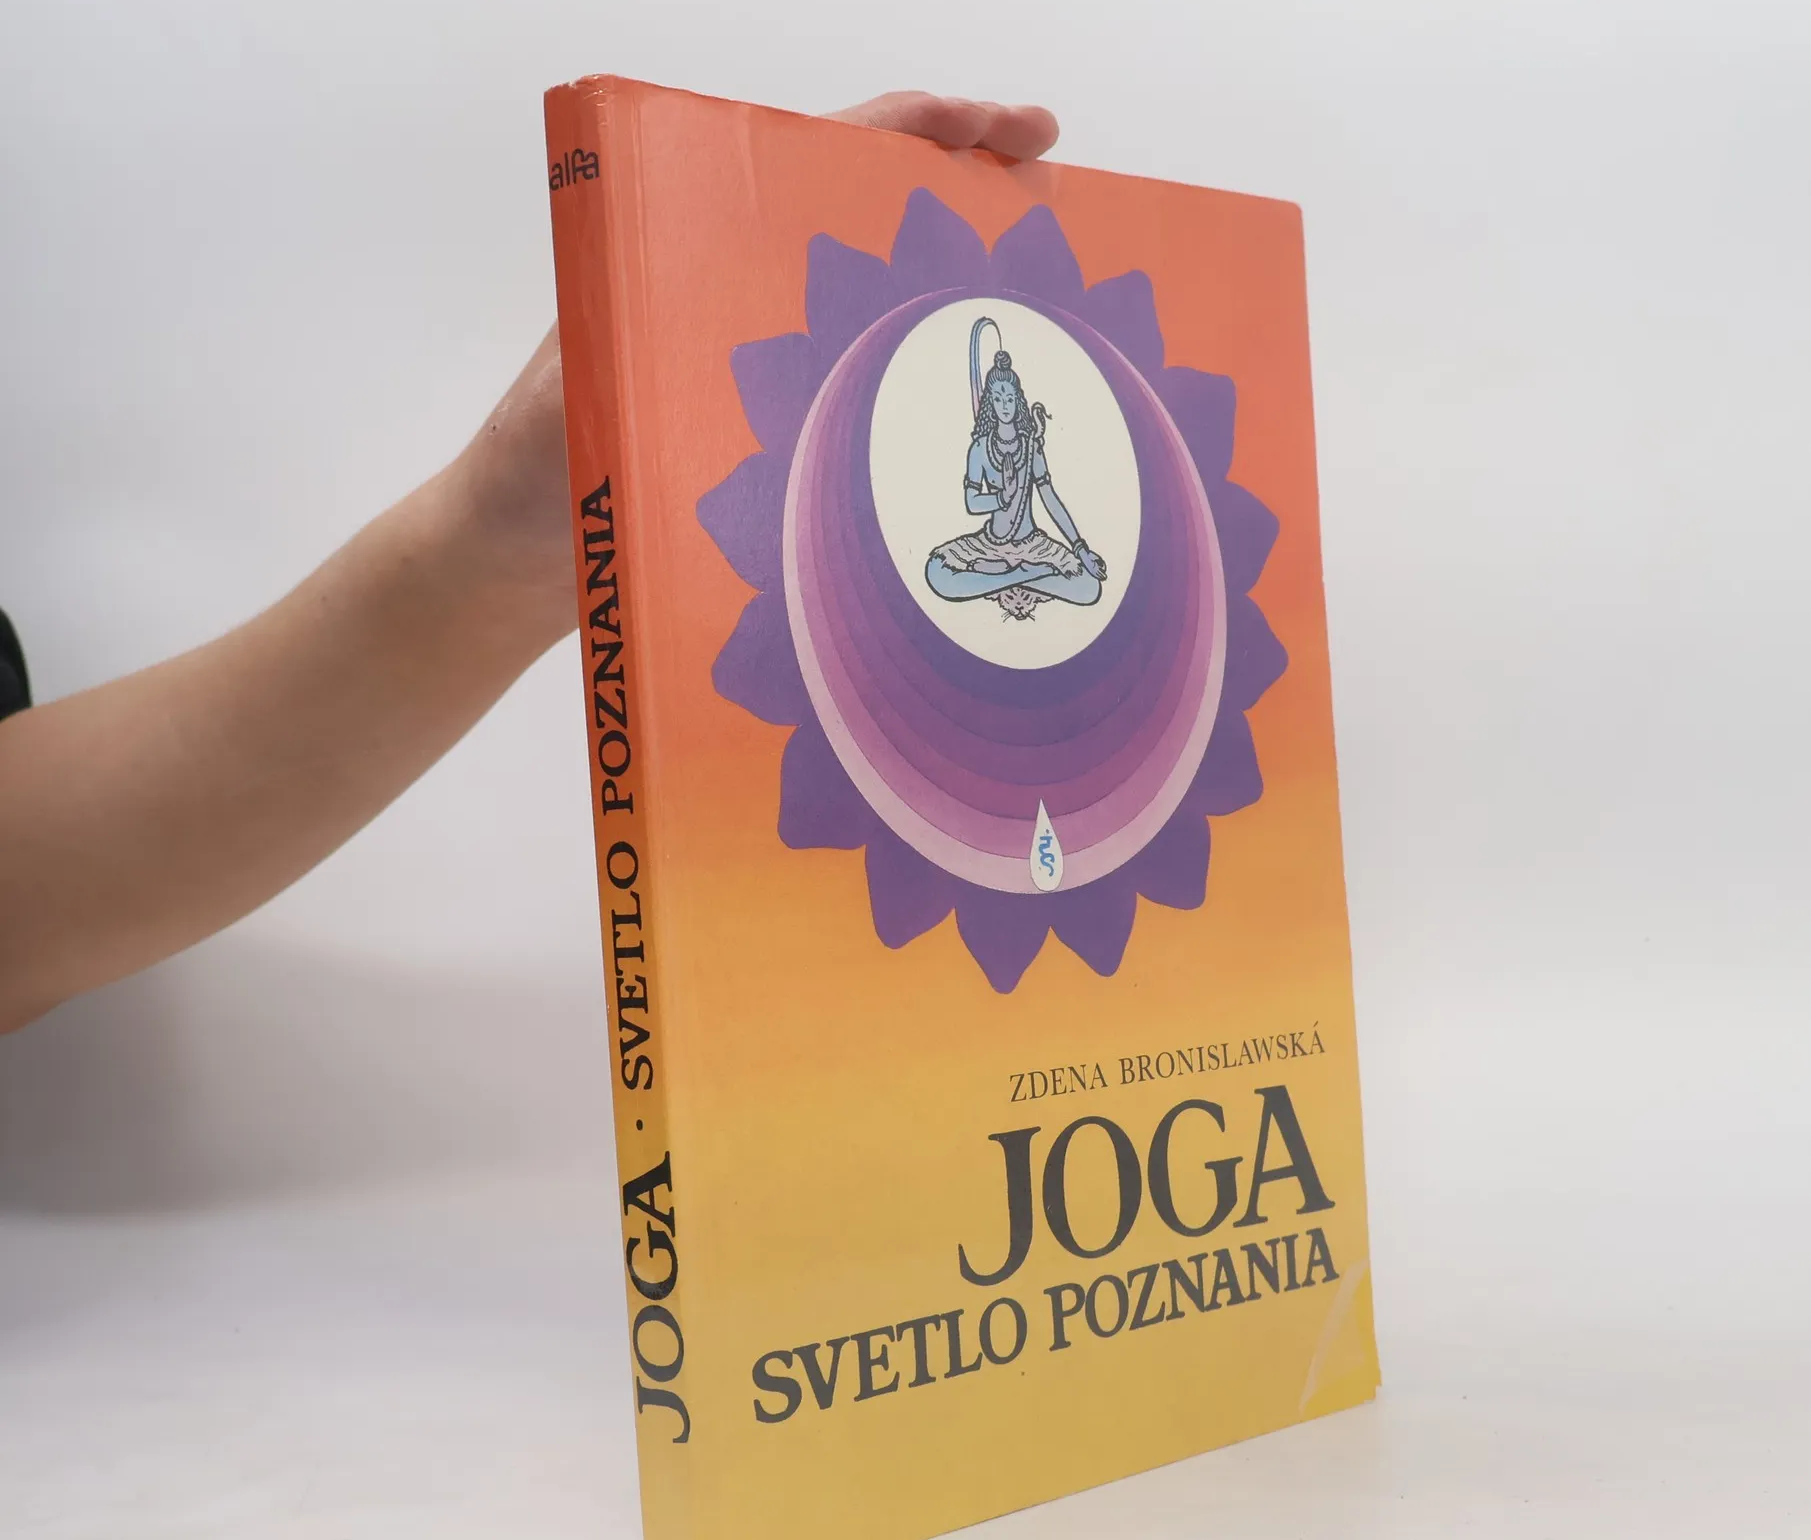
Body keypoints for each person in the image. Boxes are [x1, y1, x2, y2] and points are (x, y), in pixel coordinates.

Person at [0, 92, 1060, 1035]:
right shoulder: (987, 438)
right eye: (1000, 400)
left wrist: (512, 535)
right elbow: (980, 506)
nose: (1007, 411)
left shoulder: (1031, 434)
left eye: (1014, 402)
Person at [926, 322, 1106, 620]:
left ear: (1018, 400)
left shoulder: (1030, 445)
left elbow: (1050, 499)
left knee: (1090, 588)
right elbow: (972, 503)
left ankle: (1003, 576)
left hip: (1032, 544)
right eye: (998, 399)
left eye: (1009, 398)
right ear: (990, 402)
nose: (1004, 406)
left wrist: (1080, 549)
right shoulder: (980, 448)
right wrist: (1002, 498)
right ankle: (1020, 576)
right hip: (990, 544)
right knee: (936, 571)